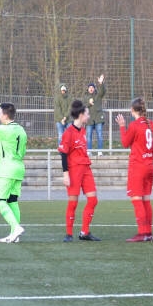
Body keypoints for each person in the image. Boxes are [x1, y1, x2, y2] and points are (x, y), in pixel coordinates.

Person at [0, 99, 28, 243]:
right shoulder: (21, 130)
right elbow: (23, 151)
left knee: (0, 201)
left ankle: (16, 228)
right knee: (12, 201)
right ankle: (14, 234)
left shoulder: (4, 130)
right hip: (19, 168)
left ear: (5, 115)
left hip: (7, 170)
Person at [116, 97, 153, 242]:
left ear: (132, 110)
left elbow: (125, 143)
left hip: (138, 166)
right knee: (146, 199)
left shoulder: (134, 125)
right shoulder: (152, 124)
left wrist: (122, 126)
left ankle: (142, 233)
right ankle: (148, 233)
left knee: (136, 199)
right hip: (149, 165)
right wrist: (149, 160)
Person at [58, 100, 101, 242]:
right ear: (81, 115)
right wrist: (66, 174)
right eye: (87, 114)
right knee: (73, 203)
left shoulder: (83, 130)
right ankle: (69, 234)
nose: (89, 116)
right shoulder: (68, 132)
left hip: (86, 169)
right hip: (74, 171)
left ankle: (84, 232)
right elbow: (63, 154)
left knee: (93, 200)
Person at [84, 74, 106, 156]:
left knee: (99, 135)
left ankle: (99, 151)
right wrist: (89, 103)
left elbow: (103, 91)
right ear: (88, 89)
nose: (91, 88)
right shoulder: (85, 97)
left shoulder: (98, 95)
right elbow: (83, 106)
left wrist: (101, 83)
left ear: (94, 88)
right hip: (89, 120)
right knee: (88, 136)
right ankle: (89, 151)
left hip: (98, 118)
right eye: (90, 87)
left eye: (92, 87)